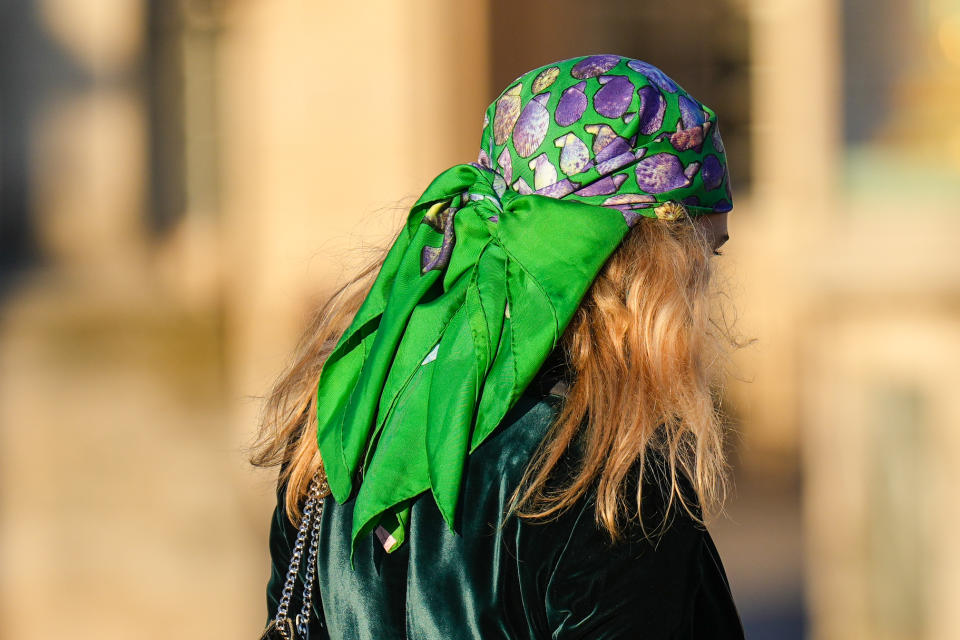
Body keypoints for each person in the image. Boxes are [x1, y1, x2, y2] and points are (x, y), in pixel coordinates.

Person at [249, 54, 745, 639]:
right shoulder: (608, 481)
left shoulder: (337, 428)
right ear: (647, 271)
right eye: (701, 257)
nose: (705, 295)